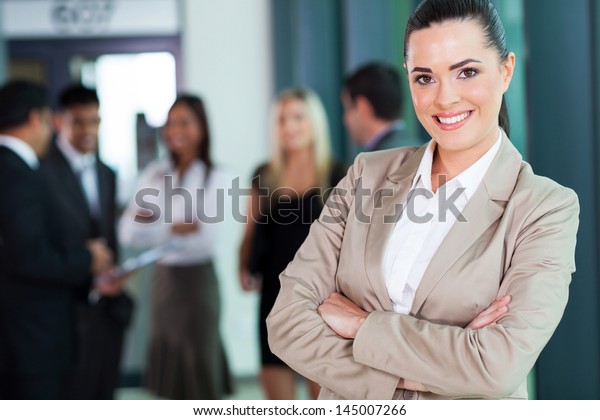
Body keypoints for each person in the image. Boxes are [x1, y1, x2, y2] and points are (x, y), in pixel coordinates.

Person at [267, 0, 579, 400]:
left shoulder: (545, 208)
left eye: (466, 72)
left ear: (506, 70)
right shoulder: (366, 175)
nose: (445, 99)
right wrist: (448, 362)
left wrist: (363, 326)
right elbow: (287, 323)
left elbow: (495, 368)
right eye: (425, 78)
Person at [0, 80, 115, 399]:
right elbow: (30, 256)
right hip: (30, 336)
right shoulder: (20, 173)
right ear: (37, 118)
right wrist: (87, 258)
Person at [119, 94, 232, 400]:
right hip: (163, 282)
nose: (175, 130)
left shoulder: (217, 177)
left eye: (185, 122)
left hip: (198, 284)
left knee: (199, 367)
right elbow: (128, 232)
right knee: (168, 372)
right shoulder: (154, 174)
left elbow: (205, 242)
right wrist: (176, 225)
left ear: (202, 128)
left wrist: (153, 220)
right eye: (170, 123)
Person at [238, 87, 347, 400]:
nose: (289, 127)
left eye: (298, 117)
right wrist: (242, 268)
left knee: (322, 398)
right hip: (274, 295)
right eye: (282, 119)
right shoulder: (264, 175)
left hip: (322, 298)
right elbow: (248, 233)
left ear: (314, 123)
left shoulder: (337, 174)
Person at [40, 84, 134, 399]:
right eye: (78, 121)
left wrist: (116, 273)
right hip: (65, 312)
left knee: (104, 393)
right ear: (58, 121)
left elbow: (109, 236)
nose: (88, 130)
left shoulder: (107, 173)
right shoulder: (40, 171)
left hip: (108, 311)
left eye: (95, 121)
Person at [342, 62, 422, 152]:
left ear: (362, 107)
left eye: (347, 108)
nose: (345, 120)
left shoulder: (377, 161)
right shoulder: (420, 148)